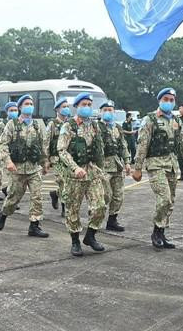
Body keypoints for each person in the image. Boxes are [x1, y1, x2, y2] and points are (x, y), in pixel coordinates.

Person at [134, 88, 183, 250]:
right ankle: (156, 232)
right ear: (160, 101)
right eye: (166, 99)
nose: (169, 102)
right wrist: (138, 168)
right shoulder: (149, 120)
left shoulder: (176, 120)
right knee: (165, 198)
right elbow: (142, 144)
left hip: (171, 164)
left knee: (171, 201)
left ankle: (161, 232)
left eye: (171, 100)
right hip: (155, 164)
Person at [57, 92, 106, 256]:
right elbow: (62, 150)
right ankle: (75, 241)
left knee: (99, 205)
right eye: (83, 104)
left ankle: (90, 236)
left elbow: (99, 150)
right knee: (73, 208)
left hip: (92, 172)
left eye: (89, 105)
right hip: (74, 175)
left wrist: (101, 168)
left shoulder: (94, 126)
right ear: (76, 107)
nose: (87, 107)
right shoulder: (68, 126)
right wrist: (74, 167)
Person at [0, 94, 49, 237]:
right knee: (14, 197)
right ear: (19, 107)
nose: (29, 106)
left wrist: (45, 163)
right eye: (26, 103)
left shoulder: (37, 125)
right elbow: (3, 145)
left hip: (33, 168)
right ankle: (4, 213)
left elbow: (42, 146)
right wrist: (8, 162)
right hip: (17, 168)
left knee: (37, 196)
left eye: (31, 103)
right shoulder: (12, 125)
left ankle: (34, 226)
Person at [97, 100, 131, 232]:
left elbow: (123, 145)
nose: (107, 112)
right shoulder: (96, 127)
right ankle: (95, 219)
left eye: (110, 110)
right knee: (105, 195)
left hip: (117, 165)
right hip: (103, 167)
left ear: (114, 112)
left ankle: (112, 220)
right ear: (100, 112)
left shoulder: (117, 127)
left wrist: (127, 162)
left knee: (118, 195)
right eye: (105, 109)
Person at [44, 98, 71, 216]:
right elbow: (46, 142)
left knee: (68, 182)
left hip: (69, 159)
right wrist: (46, 159)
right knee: (63, 181)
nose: (66, 109)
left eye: (67, 106)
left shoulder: (70, 124)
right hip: (56, 159)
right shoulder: (52, 124)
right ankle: (65, 208)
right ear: (57, 109)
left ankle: (55, 194)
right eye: (63, 107)